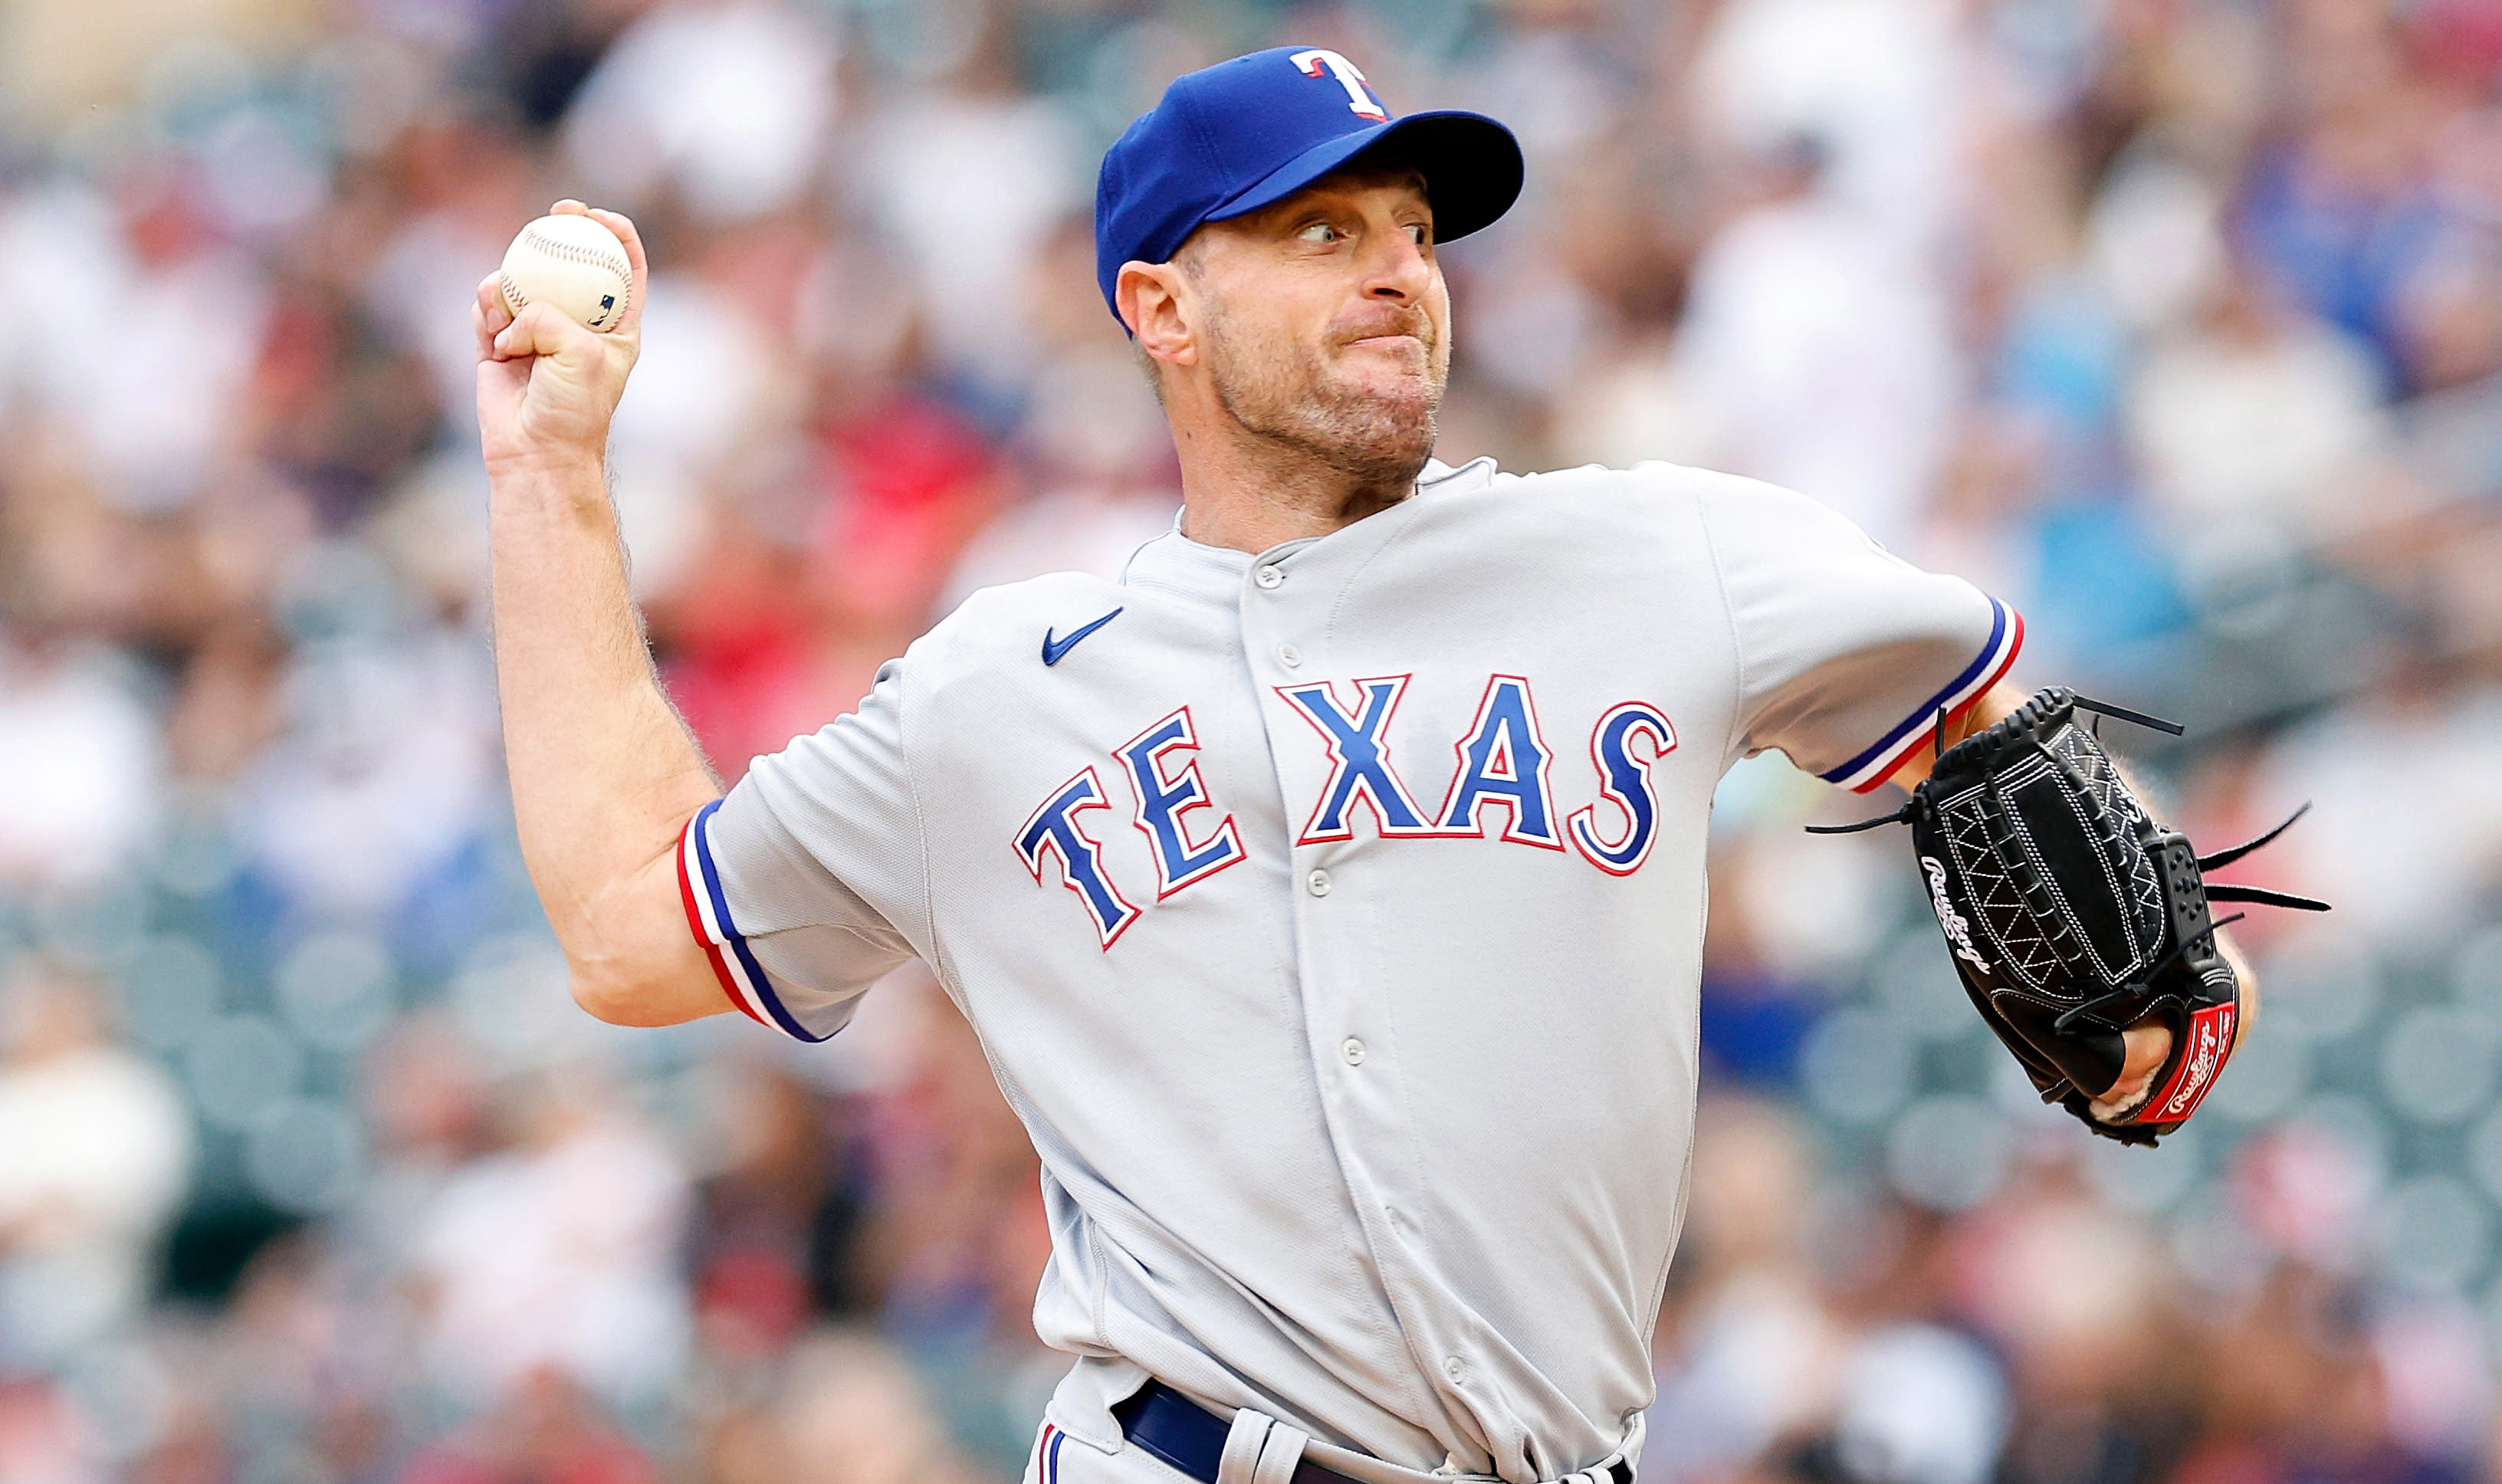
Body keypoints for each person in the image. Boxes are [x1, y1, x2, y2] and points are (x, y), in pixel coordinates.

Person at [471, 46, 2253, 1484]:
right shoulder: (992, 692)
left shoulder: (1657, 554)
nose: (1397, 268)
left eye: (1411, 228)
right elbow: (630, 927)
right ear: (1161, 308)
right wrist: (549, 478)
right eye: (1319, 232)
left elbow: (1985, 708)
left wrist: (2182, 967)